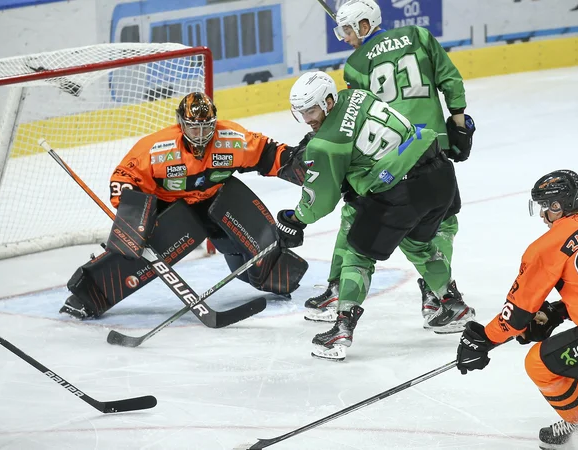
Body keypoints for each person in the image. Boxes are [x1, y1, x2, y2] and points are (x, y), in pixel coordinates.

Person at [303, 0, 475, 328]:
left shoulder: (354, 64)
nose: (346, 37)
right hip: (432, 144)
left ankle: (337, 290)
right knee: (442, 221)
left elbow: (360, 113)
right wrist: (459, 121)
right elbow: (449, 78)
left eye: (350, 30)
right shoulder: (418, 35)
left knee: (353, 214)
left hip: (389, 150)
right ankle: (435, 294)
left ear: (366, 25)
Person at [61, 92, 309, 319]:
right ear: (181, 123)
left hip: (219, 200)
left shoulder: (232, 139)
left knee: (260, 249)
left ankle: (273, 277)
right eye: (193, 127)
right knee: (139, 250)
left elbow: (267, 153)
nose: (200, 135)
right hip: (174, 209)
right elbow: (123, 178)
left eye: (206, 127)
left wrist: (295, 161)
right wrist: (133, 216)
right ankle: (88, 295)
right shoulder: (158, 149)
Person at [275, 71, 467, 361]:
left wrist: (296, 218)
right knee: (418, 245)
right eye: (302, 113)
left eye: (312, 111)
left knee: (357, 254)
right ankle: (454, 306)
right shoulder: (357, 96)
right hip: (439, 173)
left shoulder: (324, 144)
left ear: (328, 102)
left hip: (401, 192)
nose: (308, 119)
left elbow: (321, 201)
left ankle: (341, 329)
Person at [456, 170, 578, 450]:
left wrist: (483, 339)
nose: (543, 214)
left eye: (545, 207)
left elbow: (517, 315)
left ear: (557, 207)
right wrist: (559, 311)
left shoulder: (545, 247)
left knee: (539, 363)